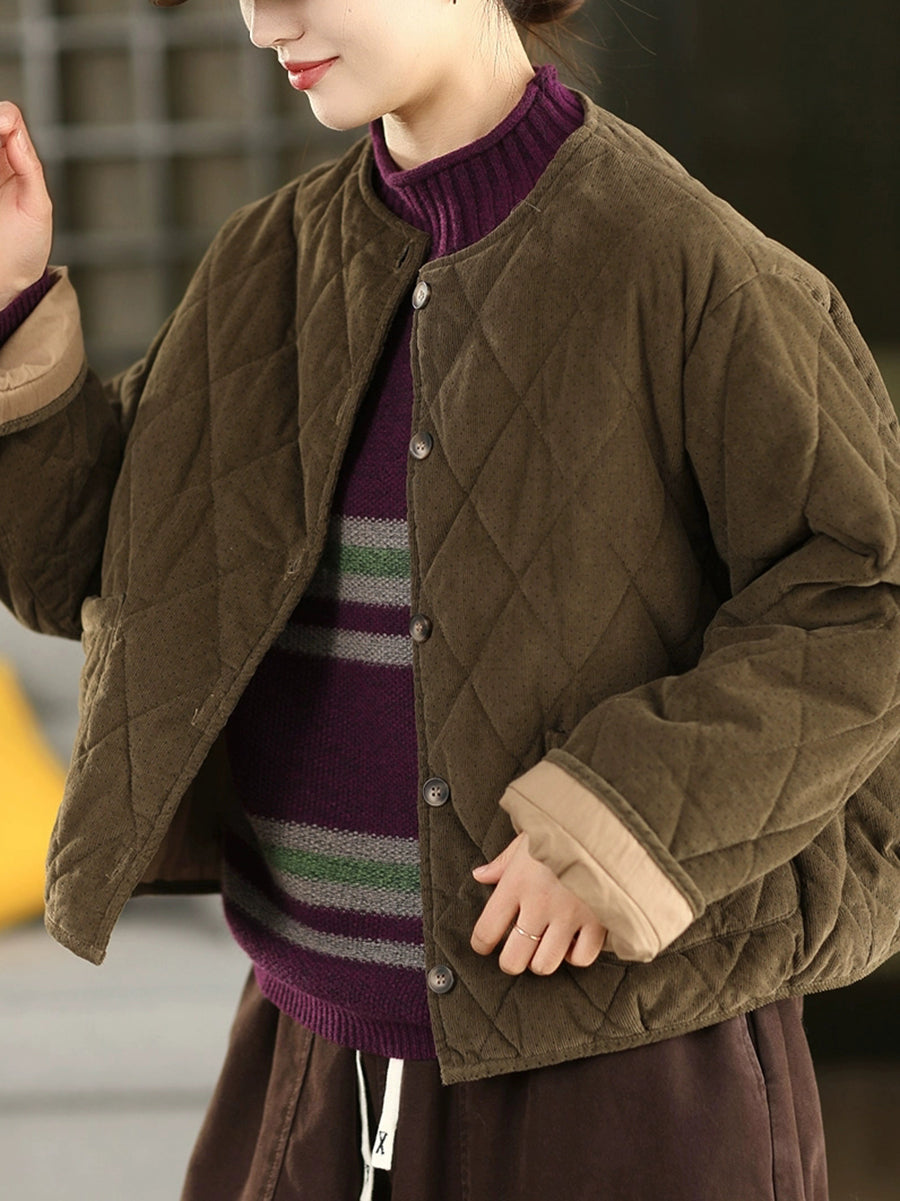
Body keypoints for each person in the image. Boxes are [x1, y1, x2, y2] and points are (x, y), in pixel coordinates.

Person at [1, 0, 899, 1196]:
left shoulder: (688, 263)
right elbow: (88, 570)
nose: (263, 22)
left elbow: (862, 600)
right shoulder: (265, 263)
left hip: (628, 1076)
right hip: (309, 1059)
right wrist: (11, 303)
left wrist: (621, 822)